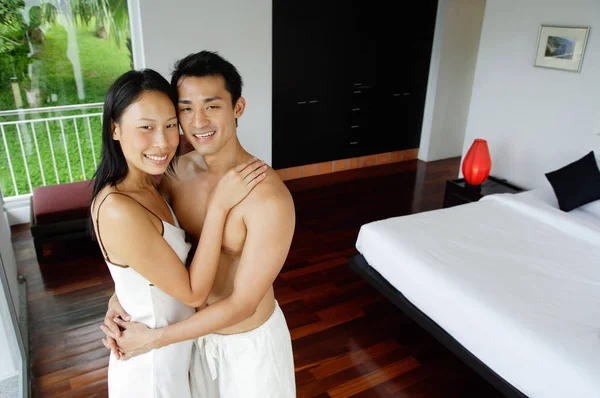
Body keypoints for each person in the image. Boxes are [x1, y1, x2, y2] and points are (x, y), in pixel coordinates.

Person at [101, 50, 297, 397]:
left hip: (246, 345)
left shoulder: (268, 198)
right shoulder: (174, 175)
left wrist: (154, 339)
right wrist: (119, 298)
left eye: (212, 105)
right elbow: (147, 245)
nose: (198, 121)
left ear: (237, 108)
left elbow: (244, 303)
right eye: (186, 108)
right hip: (190, 341)